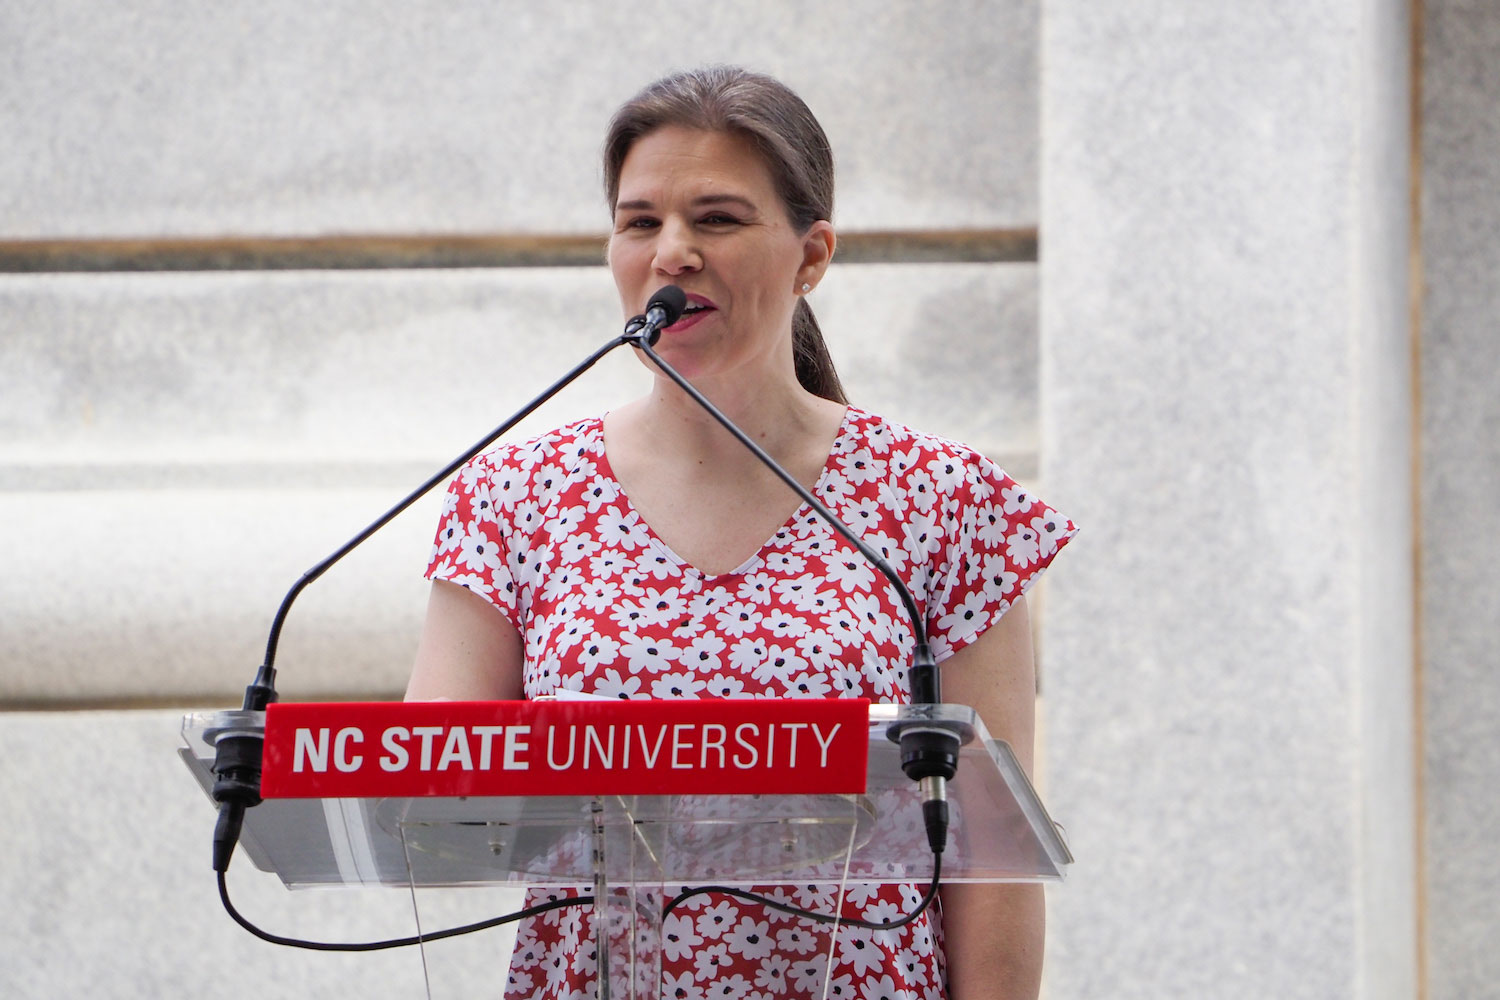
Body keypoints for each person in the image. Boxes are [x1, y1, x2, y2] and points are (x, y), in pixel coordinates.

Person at [406, 65, 1074, 1000]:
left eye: (716, 219)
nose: (672, 251)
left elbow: (993, 858)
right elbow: (433, 809)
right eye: (641, 222)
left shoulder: (946, 504)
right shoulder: (514, 497)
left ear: (812, 254)